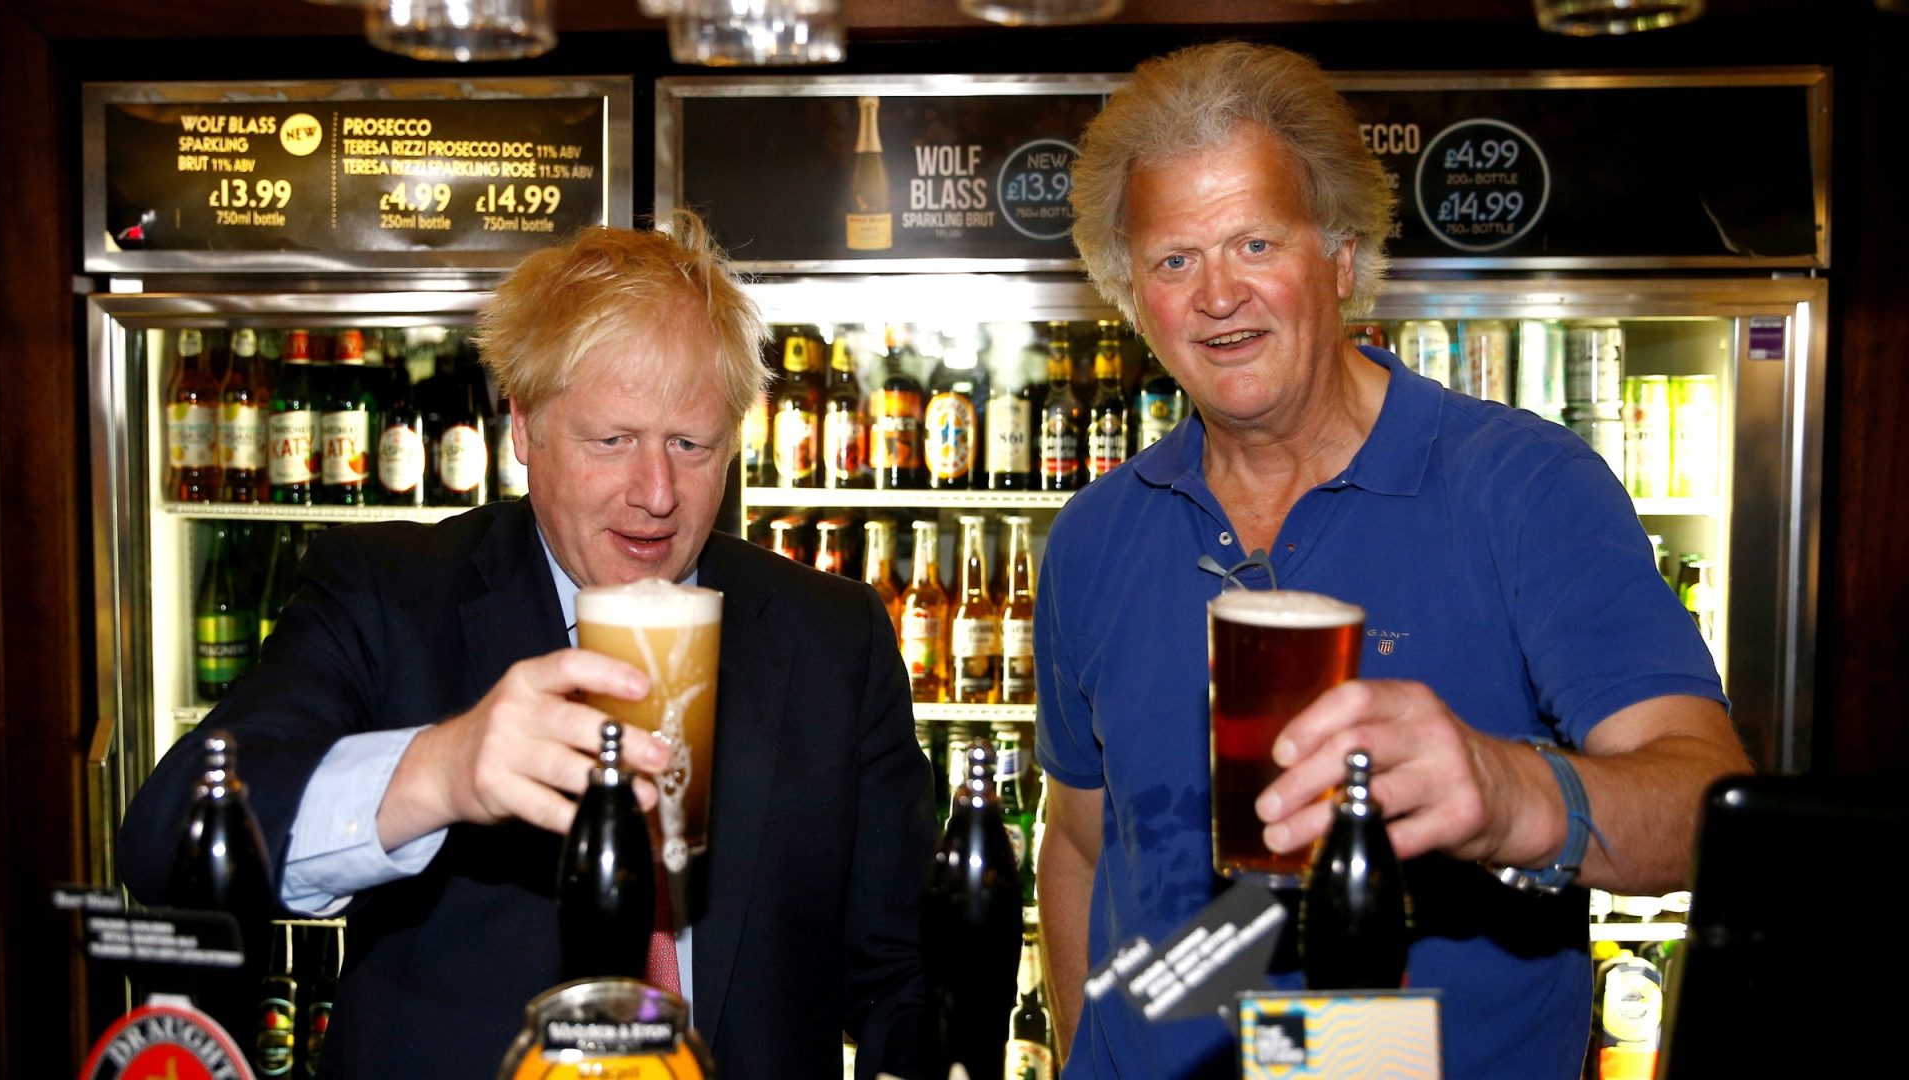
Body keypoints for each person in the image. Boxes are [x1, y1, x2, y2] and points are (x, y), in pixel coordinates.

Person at [1035, 42, 1751, 1080]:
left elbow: (1704, 804)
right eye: (1173, 260)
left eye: (1254, 243)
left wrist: (1513, 794)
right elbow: (1082, 844)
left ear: (1340, 256)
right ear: (1131, 293)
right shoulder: (1098, 533)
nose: (1217, 295)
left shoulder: (1523, 487)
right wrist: (1077, 1055)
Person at [118, 215, 935, 1080]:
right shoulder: (392, 591)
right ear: (524, 426)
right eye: (611, 441)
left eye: (689, 446)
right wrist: (438, 770)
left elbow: (903, 972)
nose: (656, 494)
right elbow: (163, 845)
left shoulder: (831, 634)